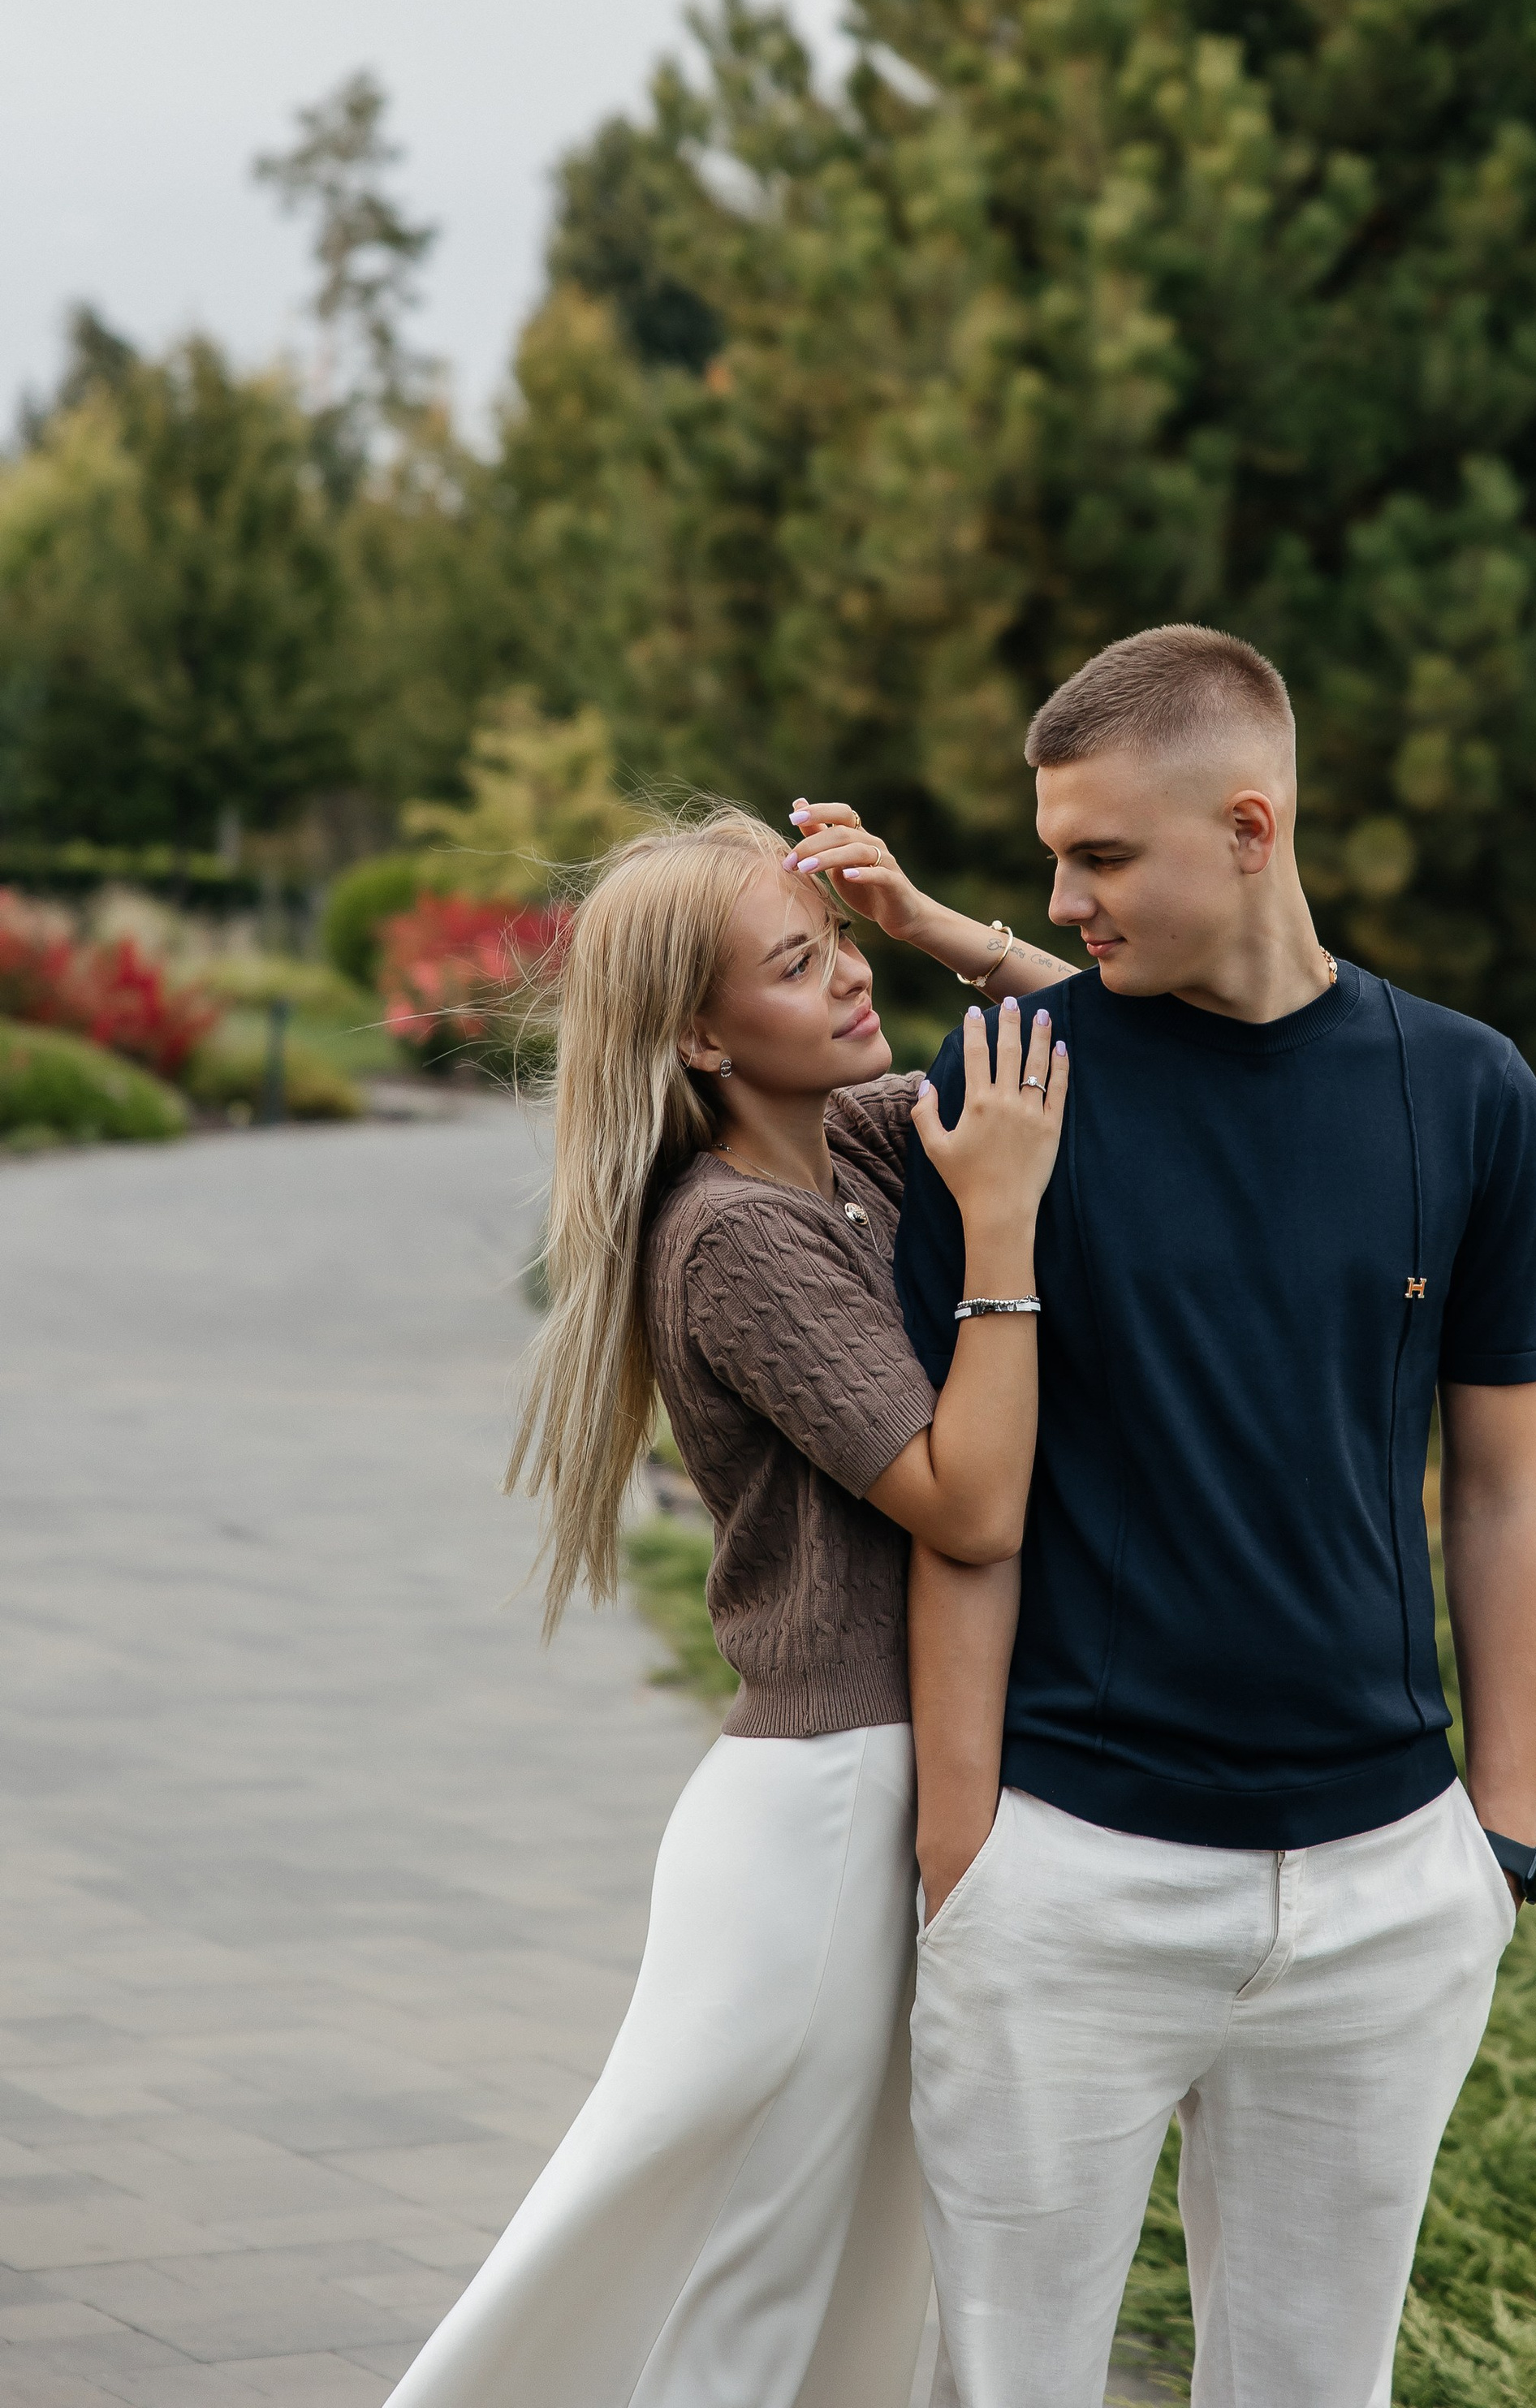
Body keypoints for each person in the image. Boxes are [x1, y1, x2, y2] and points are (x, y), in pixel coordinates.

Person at [793, 623, 1536, 2408]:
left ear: (1249, 825)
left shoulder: (1465, 1090)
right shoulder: (1005, 1089)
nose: (1060, 896)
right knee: (1008, 2386)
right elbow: (965, 1511)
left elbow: (1504, 1477)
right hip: (1072, 1868)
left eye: (1099, 856)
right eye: (1052, 854)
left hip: (1387, 1885)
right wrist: (966, 1861)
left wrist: (1497, 1837)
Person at [384, 803, 1067, 2408]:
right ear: (700, 1034)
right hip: (820, 1817)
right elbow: (968, 1502)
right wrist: (1010, 1232)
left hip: (875, 1789)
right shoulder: (732, 1242)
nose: (844, 982)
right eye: (797, 961)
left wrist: (938, 931)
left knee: (851, 2261)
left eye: (836, 946)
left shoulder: (862, 1136)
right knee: (751, 2271)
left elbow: (1134, 1046)